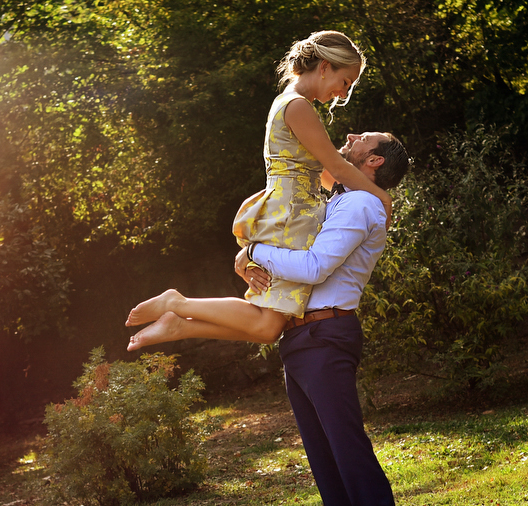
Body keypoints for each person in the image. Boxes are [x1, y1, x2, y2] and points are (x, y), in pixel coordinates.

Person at [236, 130, 418, 506]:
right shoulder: (336, 200)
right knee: (322, 452)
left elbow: (315, 267)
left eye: (363, 139)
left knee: (348, 450)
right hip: (299, 336)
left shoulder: (361, 206)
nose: (351, 135)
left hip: (326, 335)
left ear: (373, 160)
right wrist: (249, 255)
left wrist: (255, 254)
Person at [126, 31, 392, 350]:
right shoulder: (298, 107)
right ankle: (178, 306)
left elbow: (323, 173)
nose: (343, 93)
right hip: (292, 216)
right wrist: (382, 198)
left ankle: (179, 323)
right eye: (346, 81)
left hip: (290, 212)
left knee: (267, 328)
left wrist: (353, 204)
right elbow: (336, 167)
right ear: (324, 67)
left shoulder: (290, 103)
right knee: (267, 324)